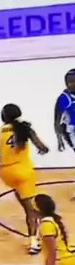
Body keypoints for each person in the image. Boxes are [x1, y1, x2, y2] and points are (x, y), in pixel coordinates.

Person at [0, 104, 49, 255]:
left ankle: (37, 222)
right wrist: (42, 150)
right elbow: (42, 147)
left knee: (23, 199)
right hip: (23, 171)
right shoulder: (25, 129)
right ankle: (33, 242)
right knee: (30, 210)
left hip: (6, 173)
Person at [54, 69, 75, 198]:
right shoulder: (63, 99)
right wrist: (59, 140)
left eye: (73, 81)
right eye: (69, 82)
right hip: (72, 132)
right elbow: (57, 121)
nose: (71, 84)